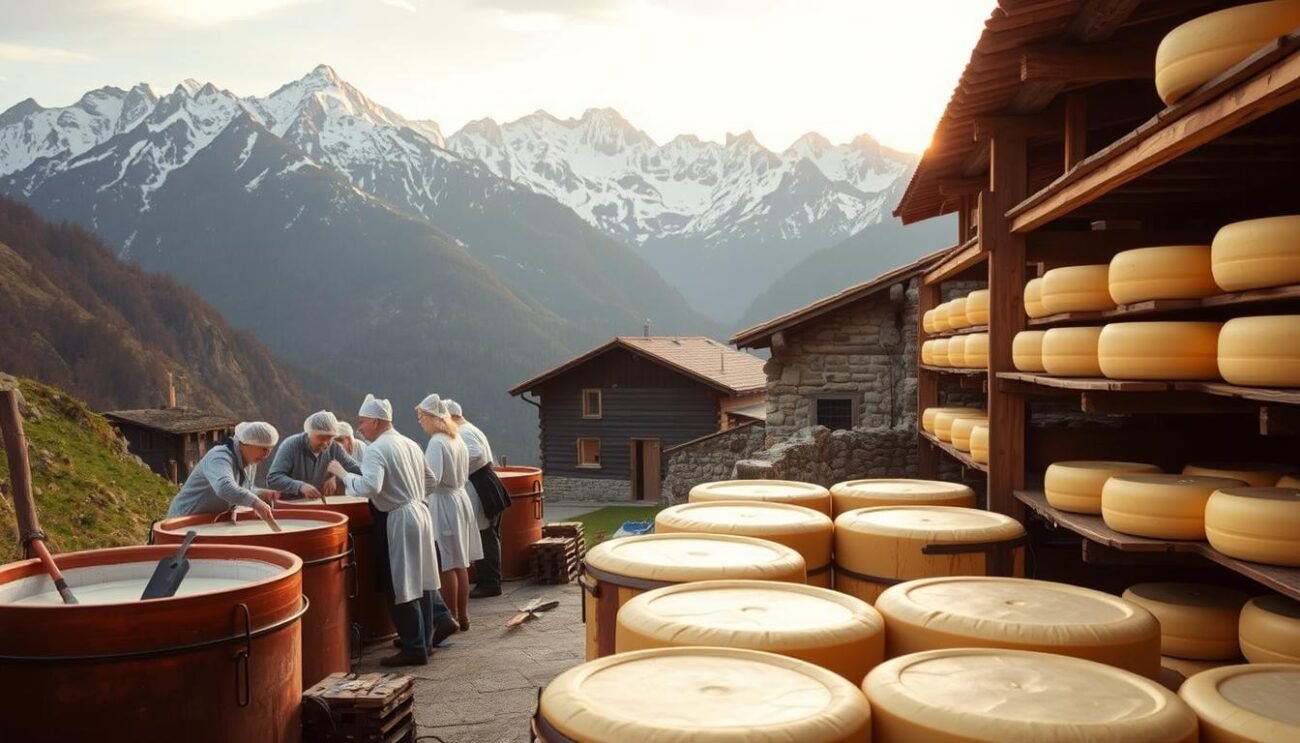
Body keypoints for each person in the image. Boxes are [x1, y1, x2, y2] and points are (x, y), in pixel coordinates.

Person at [326, 395, 452, 666]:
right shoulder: (410, 443)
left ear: (375, 421)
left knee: (402, 582)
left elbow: (370, 487)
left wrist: (343, 474)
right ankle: (424, 640)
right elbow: (430, 480)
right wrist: (412, 494)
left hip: (399, 517)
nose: (359, 428)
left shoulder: (376, 449)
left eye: (361, 422)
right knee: (424, 579)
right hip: (420, 511)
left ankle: (413, 645)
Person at [415, 394, 482, 631]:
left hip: (444, 503)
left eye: (422, 416)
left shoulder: (437, 442)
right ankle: (463, 616)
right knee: (460, 562)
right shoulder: (457, 439)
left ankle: (450, 617)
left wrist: (416, 495)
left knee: (447, 562)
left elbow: (431, 480)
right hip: (459, 499)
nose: (420, 421)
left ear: (434, 418)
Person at [447, 399, 511, 599]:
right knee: (489, 534)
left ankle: (490, 583)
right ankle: (490, 580)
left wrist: (455, 467)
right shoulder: (471, 429)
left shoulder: (464, 433)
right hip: (486, 483)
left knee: (485, 535)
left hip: (480, 486)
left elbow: (476, 453)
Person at [164, 421, 281, 526]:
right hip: (185, 520)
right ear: (246, 443)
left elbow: (242, 489)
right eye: (263, 449)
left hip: (210, 522)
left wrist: (261, 493)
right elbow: (224, 487)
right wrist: (256, 503)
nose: (267, 454)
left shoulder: (250, 461)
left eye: (270, 449)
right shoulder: (219, 457)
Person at [267, 410, 360, 500]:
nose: (325, 444)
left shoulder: (335, 448)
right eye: (321, 438)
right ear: (309, 433)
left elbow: (356, 469)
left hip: (319, 504)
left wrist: (337, 477)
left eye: (329, 438)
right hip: (291, 505)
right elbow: (273, 479)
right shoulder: (291, 446)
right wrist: (300, 486)